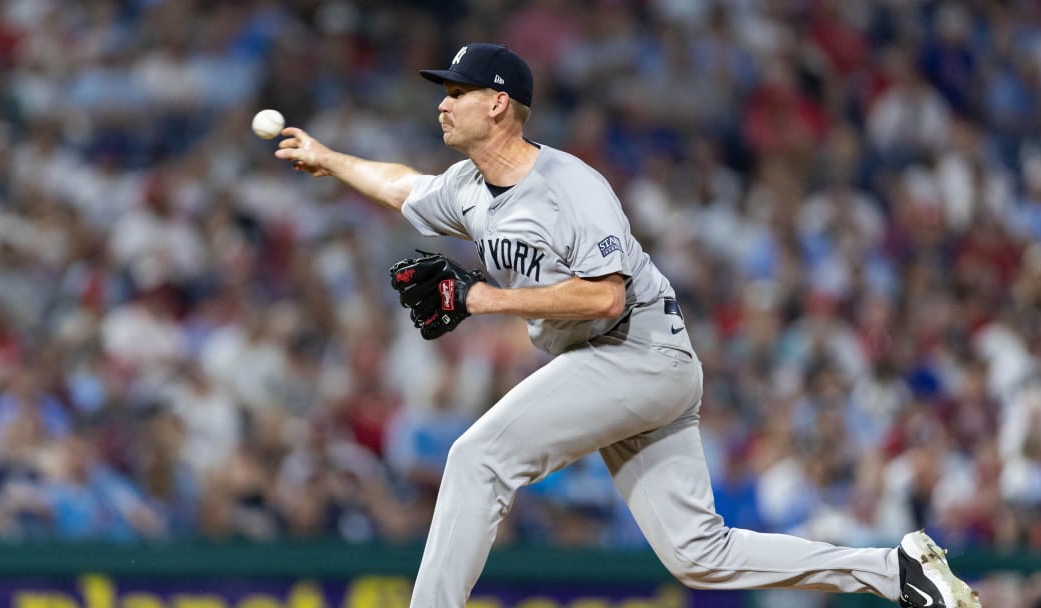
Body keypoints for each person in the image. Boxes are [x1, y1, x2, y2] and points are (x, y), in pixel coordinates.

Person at [274, 42, 981, 608]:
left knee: (477, 457)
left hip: (636, 350)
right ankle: (898, 573)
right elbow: (404, 186)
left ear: (498, 104)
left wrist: (483, 300)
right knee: (699, 555)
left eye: (456, 91)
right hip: (626, 368)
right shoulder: (468, 187)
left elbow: (606, 298)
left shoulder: (569, 187)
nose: (443, 103)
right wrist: (331, 161)